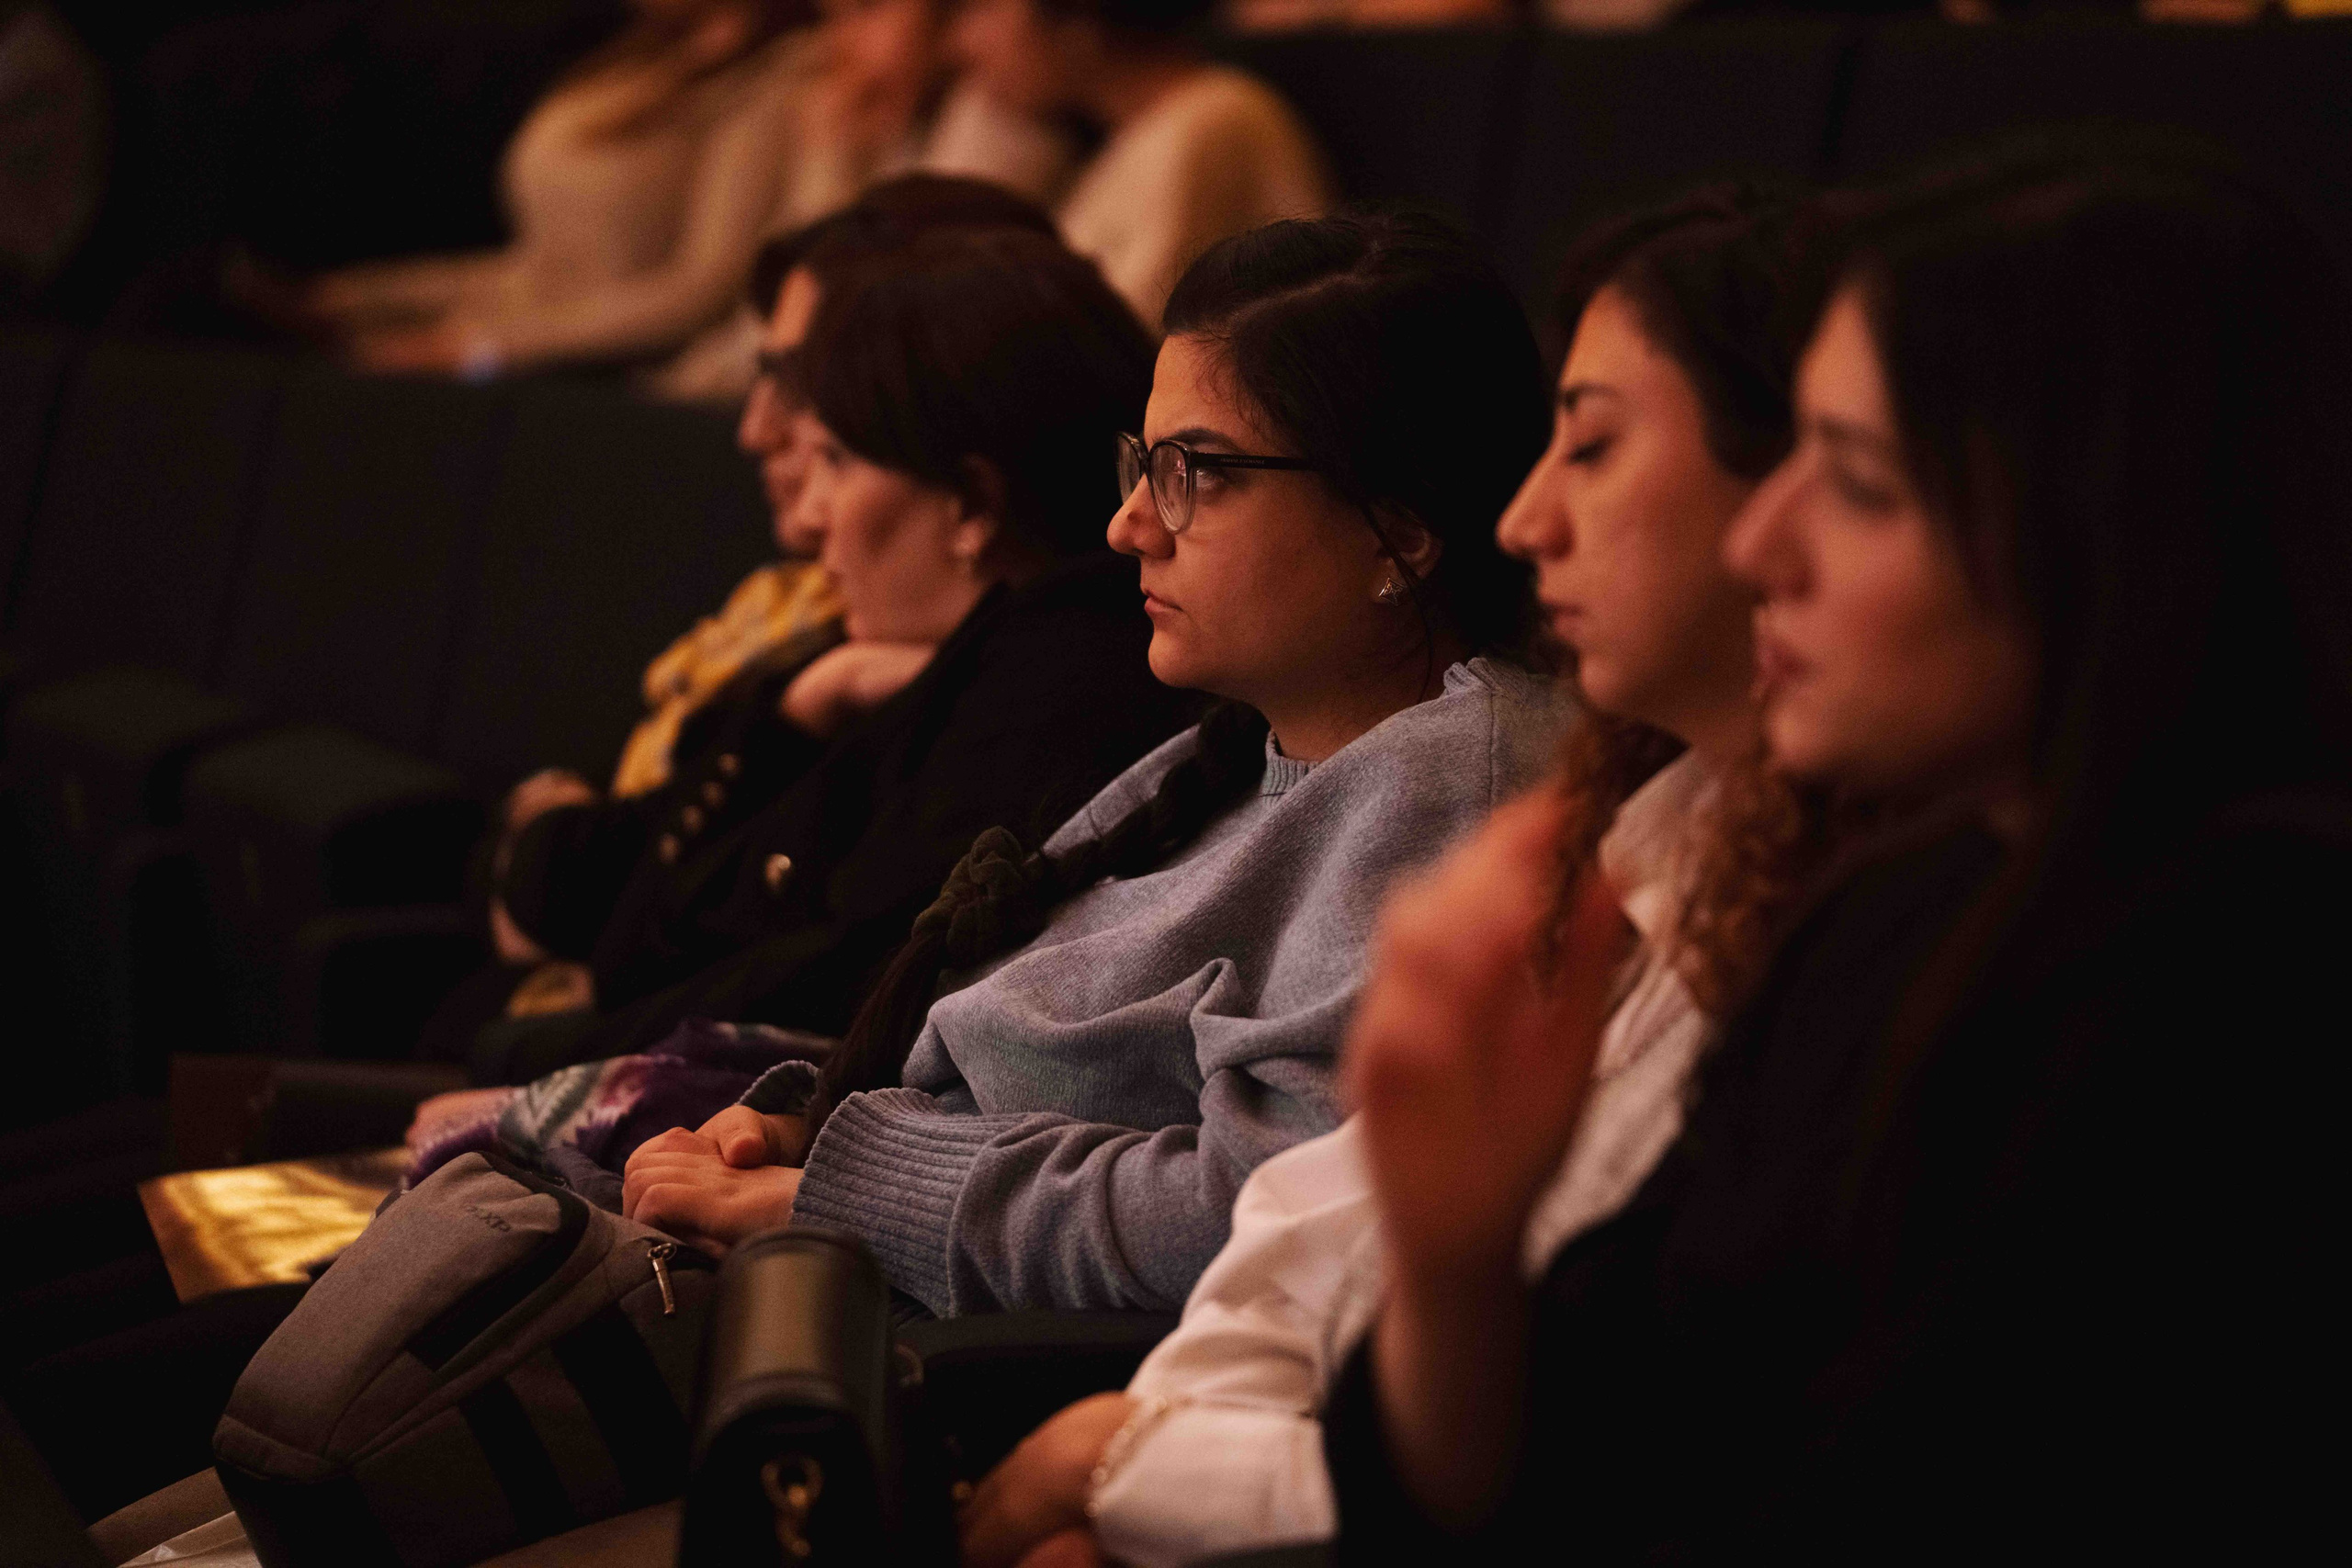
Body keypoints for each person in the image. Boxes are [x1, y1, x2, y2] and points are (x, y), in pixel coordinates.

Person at [3, 220, 1195, 1520]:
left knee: (84, 1350)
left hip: (600, 1186)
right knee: (90, 1235)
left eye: (835, 450)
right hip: (553, 1127)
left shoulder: (1047, 691)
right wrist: (788, 710)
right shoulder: (942, 663)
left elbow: (809, 984)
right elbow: (635, 907)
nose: (789, 477)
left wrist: (534, 1058)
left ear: (967, 503)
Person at [1330, 141, 2352, 1556]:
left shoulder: (2260, 987)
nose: (1762, 542)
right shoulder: (1886, 909)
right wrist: (1456, 1258)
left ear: (2101, 530)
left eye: (1859, 481)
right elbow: (1569, 1445)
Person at [956, 186, 1845, 1567]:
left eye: (1594, 447)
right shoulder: (1666, 823)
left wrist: (1130, 1464)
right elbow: (1312, 1239)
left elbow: (1587, 1427)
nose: (1530, 519)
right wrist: (1152, 1454)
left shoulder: (1492, 788)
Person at [615, 211, 1561, 1320]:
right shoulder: (1232, 748)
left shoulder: (1448, 789)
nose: (1129, 526)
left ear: (1399, 533)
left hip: (952, 1360)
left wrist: (843, 1195)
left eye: (1193, 473)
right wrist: (804, 1132)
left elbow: (1264, 1210)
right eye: (1141, 465)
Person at [950, 0, 1330, 328]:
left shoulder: (1209, 121)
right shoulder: (1134, 133)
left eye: (986, 7)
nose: (962, 42)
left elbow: (1120, 334)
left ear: (1077, 24)